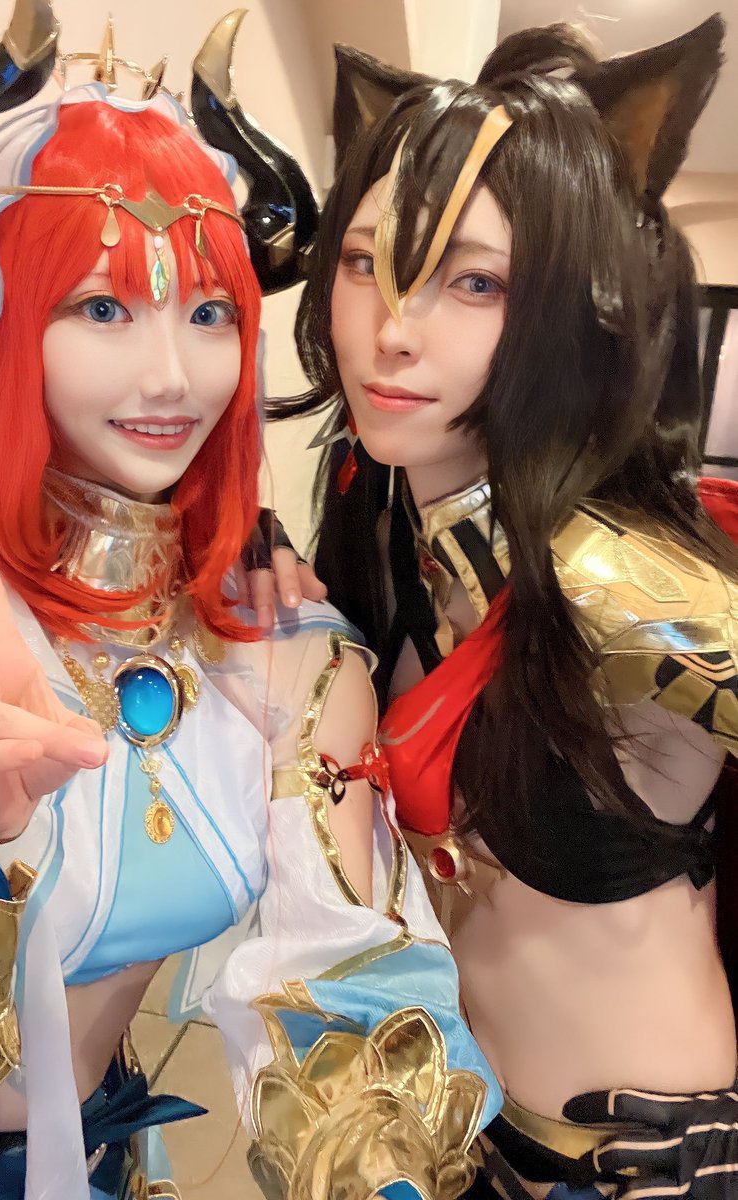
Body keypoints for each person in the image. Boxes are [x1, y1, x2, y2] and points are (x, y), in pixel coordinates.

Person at [0, 3, 501, 1198]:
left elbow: (349, 1019)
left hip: (108, 1158)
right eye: (102, 307)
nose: (172, 375)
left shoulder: (287, 650)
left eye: (208, 315)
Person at [277, 14, 738, 1200]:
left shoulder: (629, 592)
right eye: (368, 261)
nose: (393, 331)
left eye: (475, 282)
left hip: (650, 1168)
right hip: (469, 1141)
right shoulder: (379, 528)